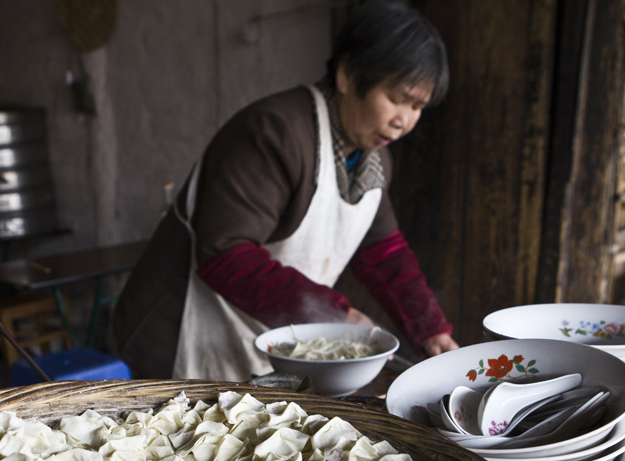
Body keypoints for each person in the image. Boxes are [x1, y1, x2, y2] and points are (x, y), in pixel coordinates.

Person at [113, 0, 458, 382]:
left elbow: (384, 253)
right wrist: (334, 316)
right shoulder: (276, 133)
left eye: (418, 106)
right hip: (181, 337)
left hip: (263, 339)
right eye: (396, 99)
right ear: (347, 76)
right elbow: (226, 254)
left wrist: (430, 330)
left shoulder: (373, 158)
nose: (404, 121)